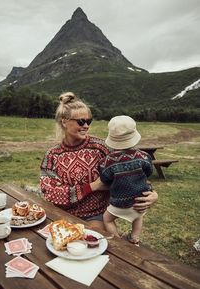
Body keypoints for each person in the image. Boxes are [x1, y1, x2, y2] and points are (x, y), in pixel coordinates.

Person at [40, 92, 158, 230]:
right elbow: (50, 192)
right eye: (81, 121)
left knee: (90, 243)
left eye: (88, 121)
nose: (86, 126)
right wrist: (92, 186)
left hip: (96, 215)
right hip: (61, 214)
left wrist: (153, 194)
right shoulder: (52, 155)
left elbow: (132, 171)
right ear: (64, 121)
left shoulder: (101, 147)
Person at [99, 115, 153, 245]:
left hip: (119, 203)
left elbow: (105, 179)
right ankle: (134, 238)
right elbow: (149, 172)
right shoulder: (144, 156)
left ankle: (117, 239)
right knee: (138, 217)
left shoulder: (107, 161)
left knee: (107, 219)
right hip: (140, 200)